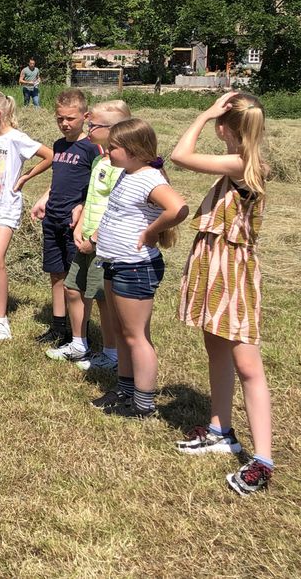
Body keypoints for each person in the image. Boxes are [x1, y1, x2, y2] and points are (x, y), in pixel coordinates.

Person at [170, 92, 275, 496]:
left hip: (232, 269)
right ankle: (220, 430)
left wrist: (203, 113)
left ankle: (263, 460)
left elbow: (180, 155)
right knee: (216, 348)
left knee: (248, 364)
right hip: (215, 263)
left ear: (224, 127)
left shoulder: (241, 164)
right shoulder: (238, 163)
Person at [94, 118, 189, 418]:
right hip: (115, 262)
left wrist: (150, 233)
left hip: (134, 267)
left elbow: (177, 208)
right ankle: (125, 389)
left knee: (136, 335)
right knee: (123, 332)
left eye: (113, 148)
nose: (107, 153)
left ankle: (143, 404)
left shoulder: (149, 178)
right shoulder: (127, 173)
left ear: (134, 150)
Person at [53, 100, 131, 371]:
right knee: (73, 288)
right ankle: (78, 343)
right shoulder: (99, 159)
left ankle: (111, 354)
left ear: (114, 129)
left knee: (101, 297)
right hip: (84, 237)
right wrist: (79, 225)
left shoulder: (121, 167)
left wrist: (95, 237)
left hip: (103, 243)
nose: (88, 127)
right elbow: (90, 197)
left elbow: (116, 207)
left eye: (93, 124)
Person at [0, 91, 53, 341]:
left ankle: (3, 320)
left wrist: (27, 176)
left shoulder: (17, 139)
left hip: (6, 205)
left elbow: (50, 155)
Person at [30, 89, 102, 349]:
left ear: (86, 116)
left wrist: (82, 208)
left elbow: (98, 187)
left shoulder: (93, 148)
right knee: (56, 273)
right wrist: (44, 198)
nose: (65, 124)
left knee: (77, 280)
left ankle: (79, 332)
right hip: (53, 218)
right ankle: (58, 325)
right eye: (60, 118)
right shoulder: (59, 146)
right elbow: (57, 179)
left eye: (70, 118)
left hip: (76, 224)